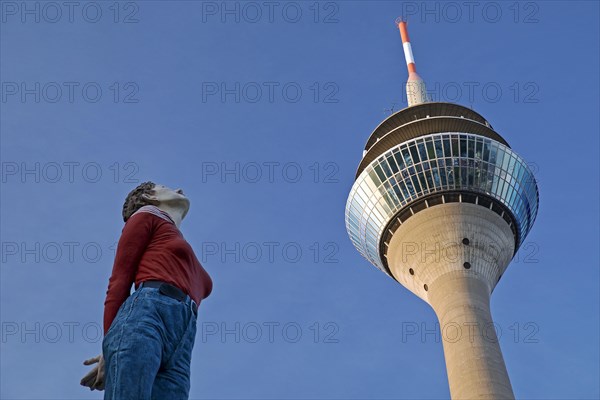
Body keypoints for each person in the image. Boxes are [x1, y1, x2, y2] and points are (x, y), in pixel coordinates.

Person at [80, 182, 213, 399]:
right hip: (148, 314)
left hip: (183, 337)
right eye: (163, 186)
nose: (178, 188)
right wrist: (108, 345)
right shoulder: (147, 215)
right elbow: (119, 282)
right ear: (149, 197)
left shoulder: (173, 237)